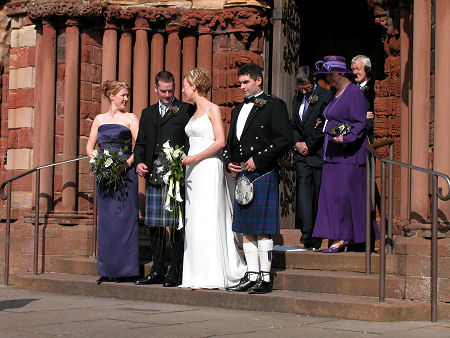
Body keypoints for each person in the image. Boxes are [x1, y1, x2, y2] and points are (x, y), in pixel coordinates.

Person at [223, 63, 292, 294]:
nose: (241, 87)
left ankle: (265, 277)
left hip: (263, 173)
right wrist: (229, 160)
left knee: (262, 229)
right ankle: (251, 275)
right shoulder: (236, 110)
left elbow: (284, 139)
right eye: (240, 82)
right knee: (246, 229)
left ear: (258, 80)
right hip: (242, 174)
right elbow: (232, 142)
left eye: (246, 82)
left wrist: (258, 160)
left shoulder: (274, 105)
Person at [179, 68, 246, 289]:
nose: (183, 90)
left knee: (209, 215)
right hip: (193, 170)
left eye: (185, 85)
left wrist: (194, 158)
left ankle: (214, 272)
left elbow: (220, 142)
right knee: (195, 218)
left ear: (195, 86)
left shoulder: (213, 109)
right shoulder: (193, 112)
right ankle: (196, 273)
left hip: (208, 167)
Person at [134, 71, 195, 287]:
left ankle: (176, 270)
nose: (167, 95)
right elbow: (140, 142)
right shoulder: (147, 113)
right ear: (155, 89)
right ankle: (158, 269)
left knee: (176, 224)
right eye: (163, 91)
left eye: (171, 91)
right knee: (156, 226)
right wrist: (139, 162)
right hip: (154, 176)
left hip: (176, 174)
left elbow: (192, 140)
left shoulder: (186, 110)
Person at [312, 55, 378, 253]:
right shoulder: (336, 93)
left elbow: (359, 123)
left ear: (341, 72)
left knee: (344, 197)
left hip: (348, 156)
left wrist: (345, 137)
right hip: (332, 154)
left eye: (330, 73)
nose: (328, 78)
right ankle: (336, 235)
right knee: (331, 197)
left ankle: (344, 238)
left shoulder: (354, 93)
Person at [86, 80, 139, 284]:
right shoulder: (99, 119)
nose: (126, 98)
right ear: (111, 96)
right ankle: (108, 268)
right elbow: (90, 147)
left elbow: (138, 146)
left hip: (125, 175)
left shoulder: (131, 118)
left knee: (125, 220)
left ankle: (126, 269)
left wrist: (124, 165)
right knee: (108, 221)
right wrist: (99, 162)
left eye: (127, 95)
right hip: (105, 176)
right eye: (122, 95)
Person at [291, 66, 333, 251]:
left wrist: (309, 144)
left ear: (313, 81)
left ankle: (318, 232)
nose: (304, 92)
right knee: (304, 193)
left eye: (307, 88)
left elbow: (324, 124)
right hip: (301, 154)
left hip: (316, 153)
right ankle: (306, 231)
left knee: (317, 193)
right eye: (301, 88)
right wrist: (297, 143)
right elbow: (293, 125)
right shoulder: (297, 98)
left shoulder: (325, 96)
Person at [351, 55, 375, 143]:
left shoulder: (375, 87)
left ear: (367, 69)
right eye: (353, 69)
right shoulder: (350, 88)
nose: (355, 72)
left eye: (358, 69)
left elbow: (374, 114)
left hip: (368, 137)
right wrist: (362, 116)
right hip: (351, 136)